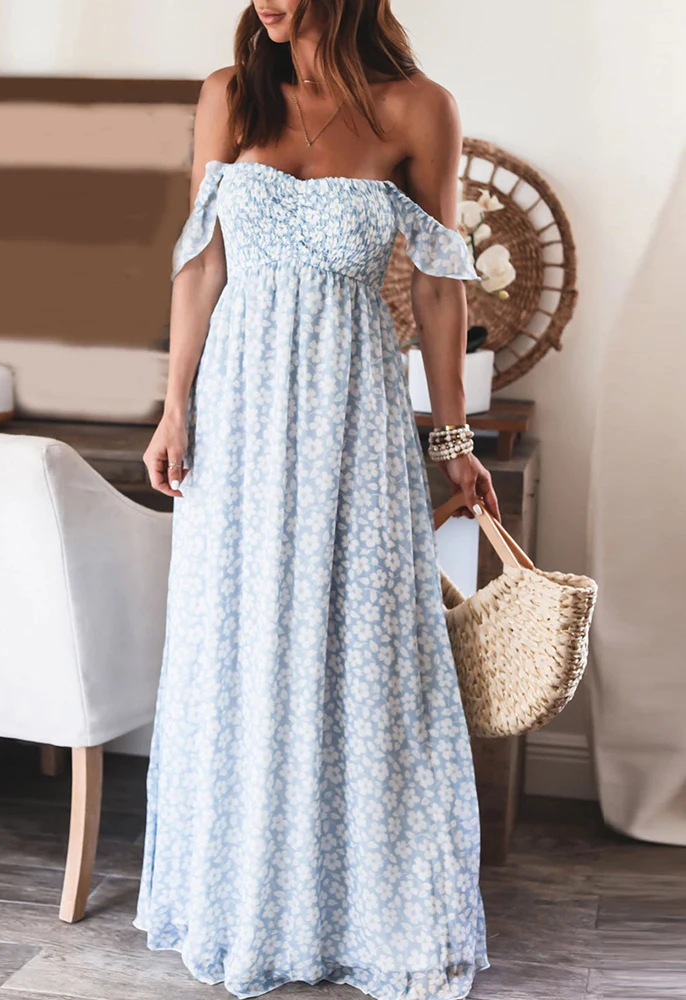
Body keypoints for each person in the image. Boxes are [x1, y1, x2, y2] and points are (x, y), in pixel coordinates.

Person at [134, 2, 499, 998]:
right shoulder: (230, 94)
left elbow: (440, 288)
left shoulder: (418, 109)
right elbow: (201, 262)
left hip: (354, 418)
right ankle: (246, 900)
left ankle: (358, 908)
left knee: (361, 650)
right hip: (238, 420)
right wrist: (175, 409)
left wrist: (454, 439)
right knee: (238, 644)